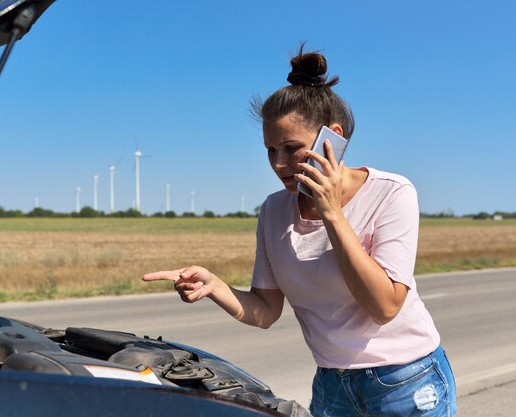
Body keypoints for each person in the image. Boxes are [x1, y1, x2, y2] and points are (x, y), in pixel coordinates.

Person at [142, 46, 457, 417]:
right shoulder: (274, 210)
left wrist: (331, 213)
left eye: (291, 148)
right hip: (331, 384)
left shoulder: (392, 192)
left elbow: (385, 305)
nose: (278, 164)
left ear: (333, 138)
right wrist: (216, 286)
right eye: (270, 150)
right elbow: (264, 312)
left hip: (405, 380)